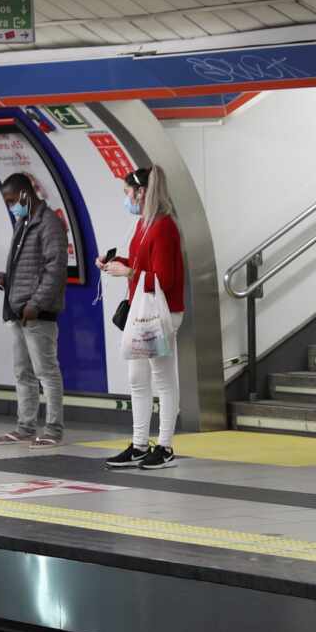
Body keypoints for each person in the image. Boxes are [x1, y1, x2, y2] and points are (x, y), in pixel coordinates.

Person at [100, 166, 185, 470]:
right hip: (142, 312)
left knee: (163, 379)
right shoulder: (144, 225)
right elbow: (140, 263)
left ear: (141, 192)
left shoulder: (164, 226)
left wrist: (132, 272)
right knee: (137, 379)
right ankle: (138, 444)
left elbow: (168, 278)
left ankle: (165, 446)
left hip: (161, 313)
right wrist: (116, 263)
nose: (126, 199)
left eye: (128, 193)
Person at [0, 173, 69, 449]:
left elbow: (55, 269)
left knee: (46, 372)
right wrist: (3, 278)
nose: (11, 206)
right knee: (23, 372)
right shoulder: (23, 223)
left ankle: (53, 429)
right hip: (18, 310)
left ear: (24, 194)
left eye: (12, 200)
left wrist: (36, 303)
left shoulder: (50, 224)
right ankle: (25, 426)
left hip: (37, 313)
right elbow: (26, 270)